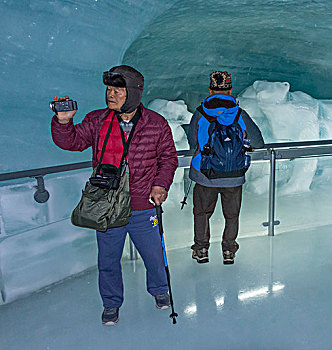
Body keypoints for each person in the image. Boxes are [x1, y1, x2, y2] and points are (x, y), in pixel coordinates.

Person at [51, 65, 178, 325]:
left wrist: (160, 185)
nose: (111, 95)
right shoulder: (98, 120)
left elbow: (168, 158)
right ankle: (111, 304)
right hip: (107, 206)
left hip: (143, 205)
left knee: (154, 256)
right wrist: (64, 122)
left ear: (132, 93)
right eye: (109, 90)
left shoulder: (156, 123)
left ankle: (160, 291)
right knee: (108, 260)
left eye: (118, 91)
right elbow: (72, 142)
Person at [187, 71, 264, 265]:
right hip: (234, 176)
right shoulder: (239, 113)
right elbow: (258, 142)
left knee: (202, 213)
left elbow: (192, 143)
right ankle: (229, 250)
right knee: (232, 215)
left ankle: (202, 249)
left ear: (210, 90)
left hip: (205, 175)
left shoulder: (200, 113)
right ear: (230, 90)